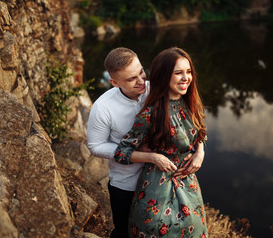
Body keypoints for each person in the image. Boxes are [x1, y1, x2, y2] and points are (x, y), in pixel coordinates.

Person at [87, 47, 205, 238]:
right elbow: (95, 146)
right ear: (114, 82)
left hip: (166, 179)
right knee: (126, 232)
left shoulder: (158, 88)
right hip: (127, 182)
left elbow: (192, 121)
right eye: (131, 79)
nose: (141, 81)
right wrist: (149, 157)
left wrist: (200, 151)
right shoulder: (103, 107)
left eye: (141, 72)